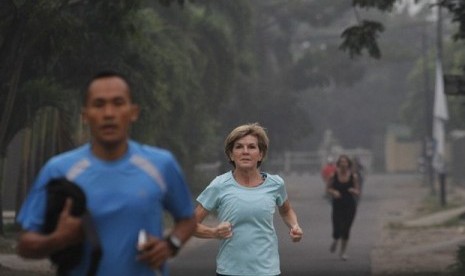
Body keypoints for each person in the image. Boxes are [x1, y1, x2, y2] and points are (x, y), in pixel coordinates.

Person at [16, 71, 197, 276]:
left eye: (118, 103)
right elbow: (24, 245)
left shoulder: (162, 164)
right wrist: (59, 239)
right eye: (99, 104)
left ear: (133, 112)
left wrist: (170, 244)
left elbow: (187, 219)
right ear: (85, 115)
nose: (109, 113)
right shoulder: (58, 170)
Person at [194, 123, 303, 276]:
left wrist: (295, 226)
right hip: (230, 271)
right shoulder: (219, 185)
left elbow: (286, 211)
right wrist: (214, 233)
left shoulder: (276, 184)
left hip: (267, 271)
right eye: (239, 147)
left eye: (252, 147)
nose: (245, 152)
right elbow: (189, 225)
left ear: (261, 154)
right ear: (231, 154)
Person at [326, 154, 360, 261]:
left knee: (346, 228)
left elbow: (358, 191)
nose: (343, 163)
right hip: (337, 204)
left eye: (345, 162)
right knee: (337, 227)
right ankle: (336, 240)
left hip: (350, 205)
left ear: (348, 164)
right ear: (338, 164)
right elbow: (328, 189)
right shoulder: (333, 175)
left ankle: (343, 252)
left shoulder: (353, 176)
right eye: (341, 161)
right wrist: (333, 192)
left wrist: (353, 191)